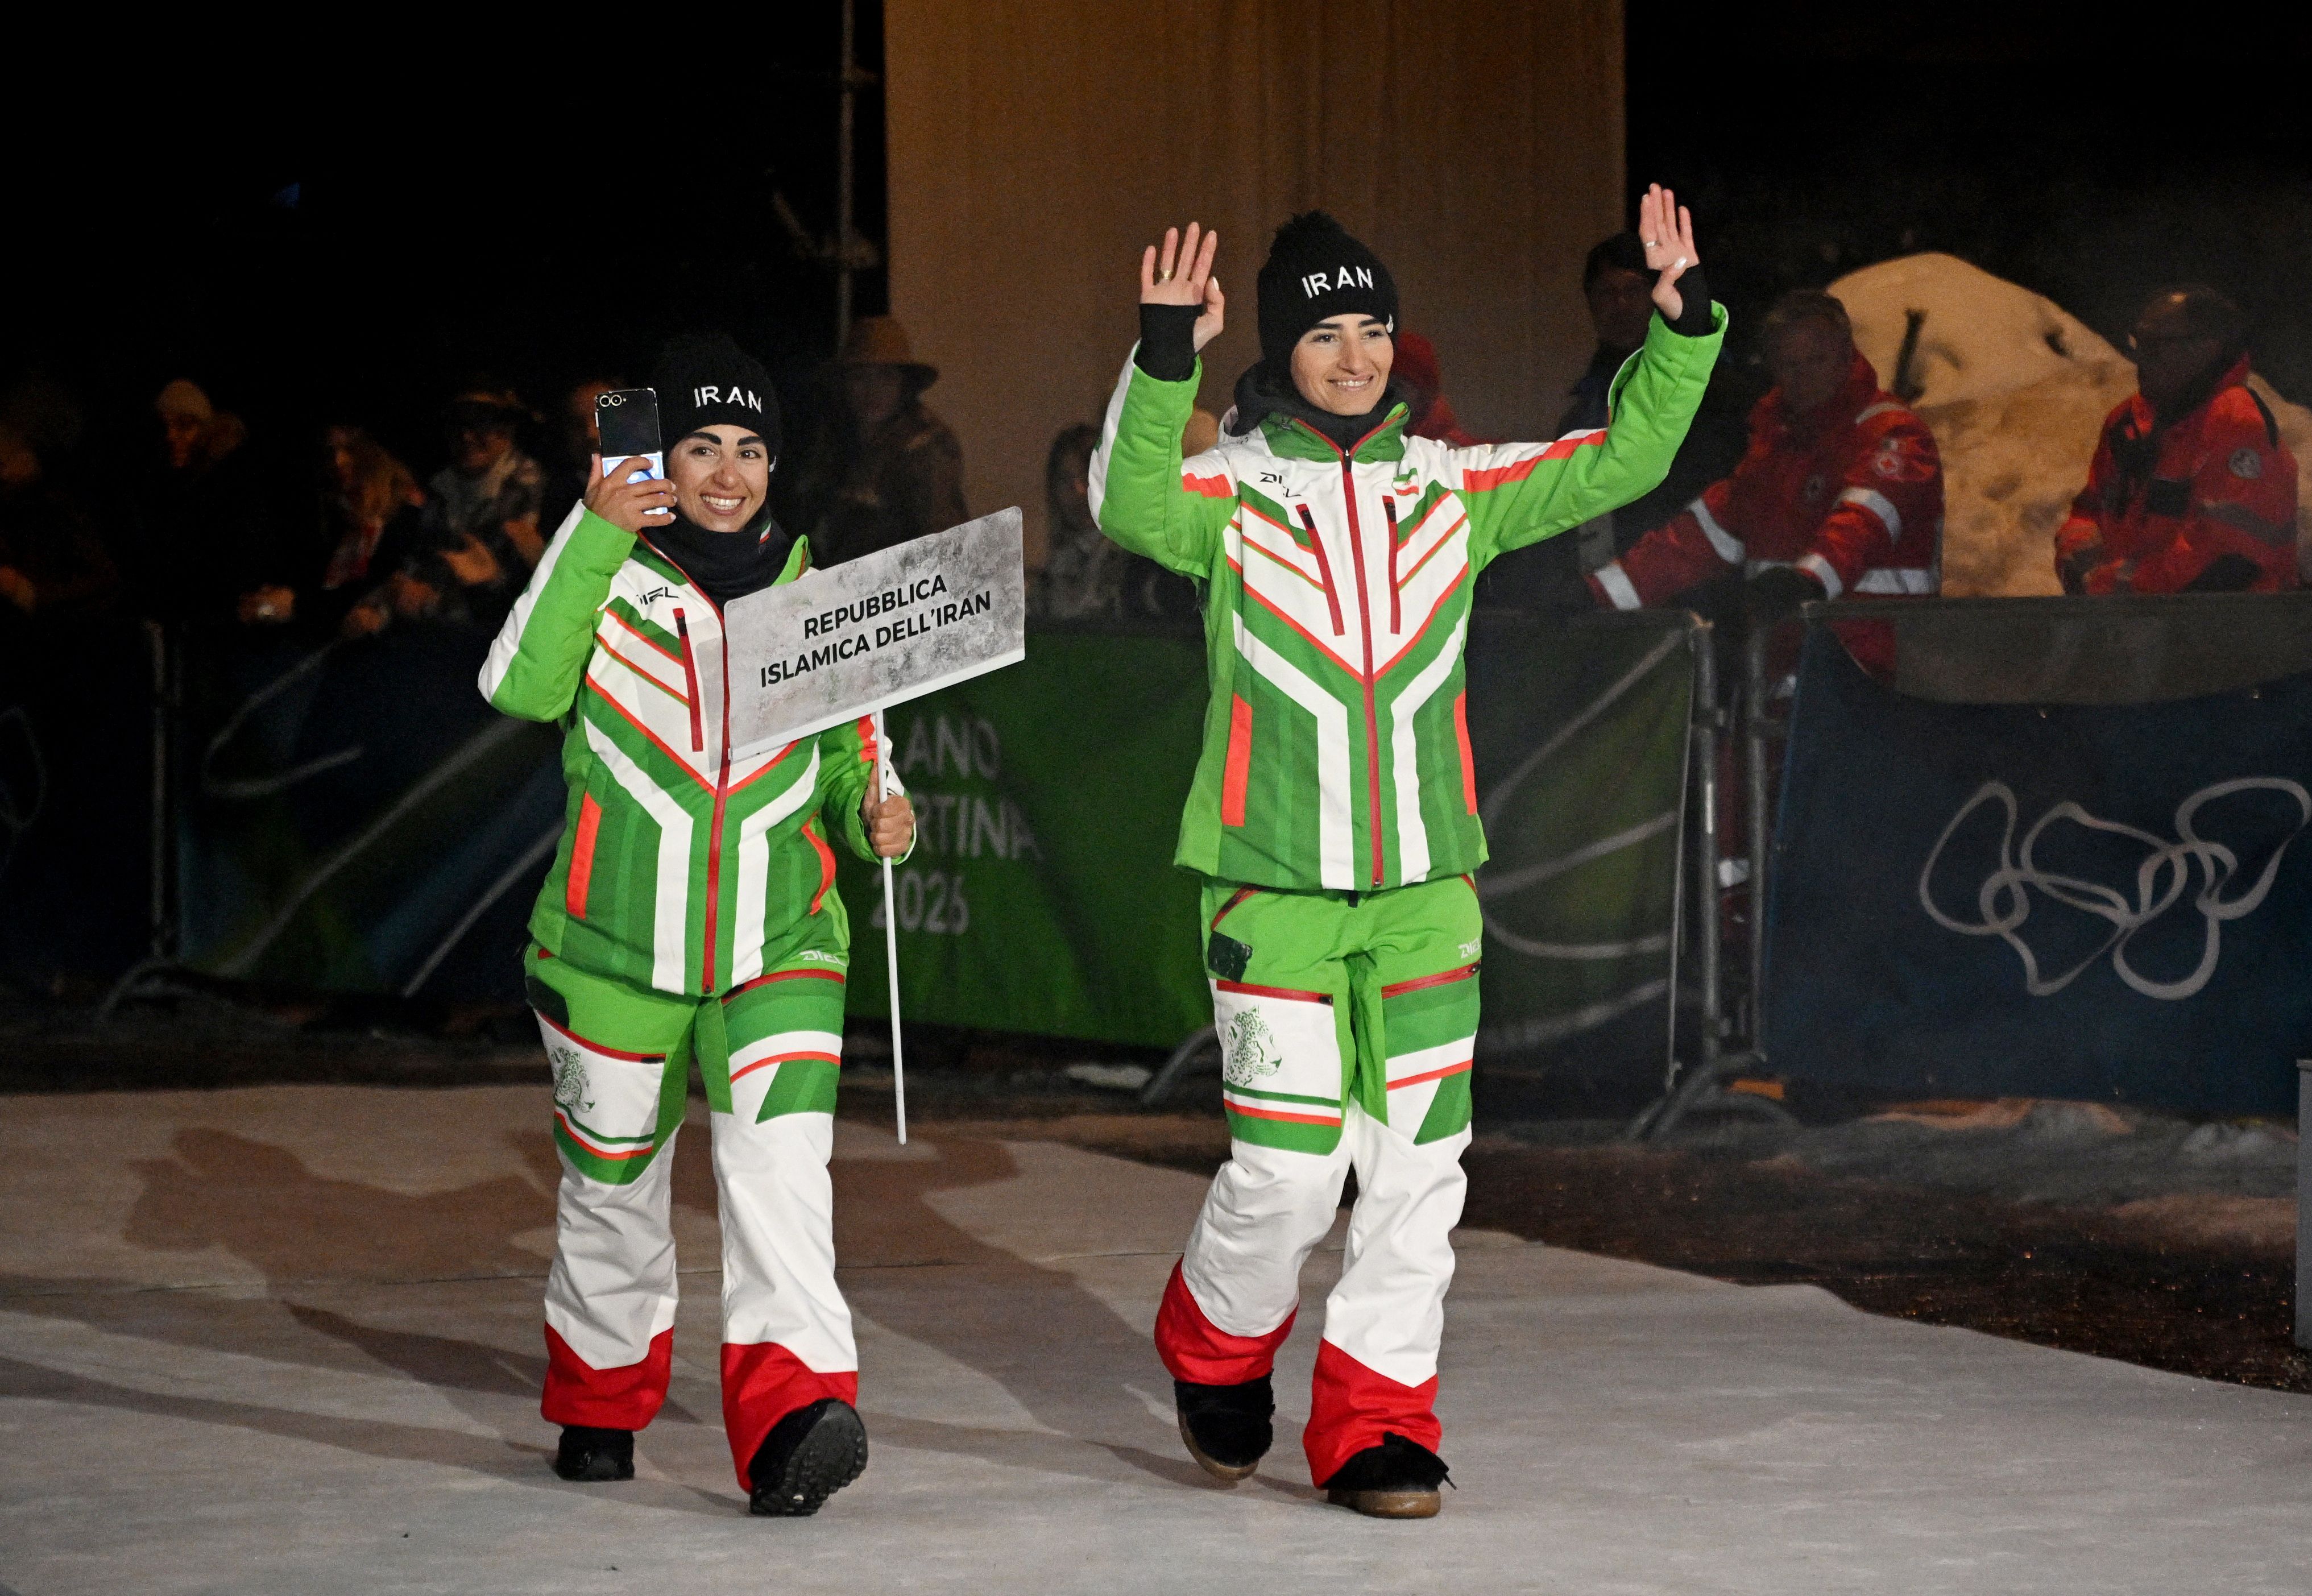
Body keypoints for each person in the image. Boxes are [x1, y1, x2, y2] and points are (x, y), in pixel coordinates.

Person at [1091, 192, 1722, 1518]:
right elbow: (1125, 503)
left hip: (1429, 894)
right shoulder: (1226, 491)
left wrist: (1676, 335)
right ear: (1281, 347)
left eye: (1373, 327)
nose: (1355, 353)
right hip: (1271, 891)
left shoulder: (1450, 484)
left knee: (1418, 1171)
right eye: (1326, 332)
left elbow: (1616, 460)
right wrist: (1161, 360)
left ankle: (1376, 1422)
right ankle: (1213, 1343)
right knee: (1284, 1173)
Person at [478, 332, 915, 1518]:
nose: (729, 472)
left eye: (751, 449)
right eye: (703, 445)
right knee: (612, 1191)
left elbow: (851, 763)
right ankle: (600, 1400)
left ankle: (790, 1422)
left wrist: (877, 810)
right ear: (659, 457)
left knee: (783, 1182)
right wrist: (595, 529)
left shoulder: (818, 593)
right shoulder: (603, 571)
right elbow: (516, 684)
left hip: (782, 944)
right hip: (610, 949)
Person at [1587, 289, 1941, 678]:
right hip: (1786, 677)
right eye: (1790, 364)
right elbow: (1694, 541)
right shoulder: (1774, 449)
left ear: (1846, 355)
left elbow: (1863, 524)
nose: (1804, 376)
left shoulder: (1892, 435)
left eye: (1817, 359)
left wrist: (1805, 581)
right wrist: (1594, 594)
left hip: (1876, 678)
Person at [2056, 286, 2299, 595]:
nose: (2141, 358)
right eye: (2139, 343)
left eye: (2158, 345)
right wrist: (2078, 554)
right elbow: (2088, 510)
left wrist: (2122, 586)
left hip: (2229, 620)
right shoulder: (2127, 423)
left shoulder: (2237, 423)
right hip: (2136, 617)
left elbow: (2229, 560)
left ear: (2207, 349)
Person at [806, 315, 967, 566]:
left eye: (885, 376)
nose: (873, 389)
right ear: (844, 384)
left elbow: (942, 545)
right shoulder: (835, 440)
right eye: (860, 377)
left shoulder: (926, 446)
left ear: (903, 384)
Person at [407, 386, 545, 628]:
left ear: (507, 429)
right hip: (434, 629)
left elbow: (529, 590)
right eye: (457, 425)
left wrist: (492, 581)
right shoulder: (438, 490)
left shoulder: (536, 489)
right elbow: (419, 559)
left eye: (480, 424)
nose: (467, 437)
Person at [1036, 421, 1192, 621]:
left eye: (1086, 477)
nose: (1078, 491)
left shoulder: (1142, 557)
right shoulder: (1059, 564)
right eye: (1065, 480)